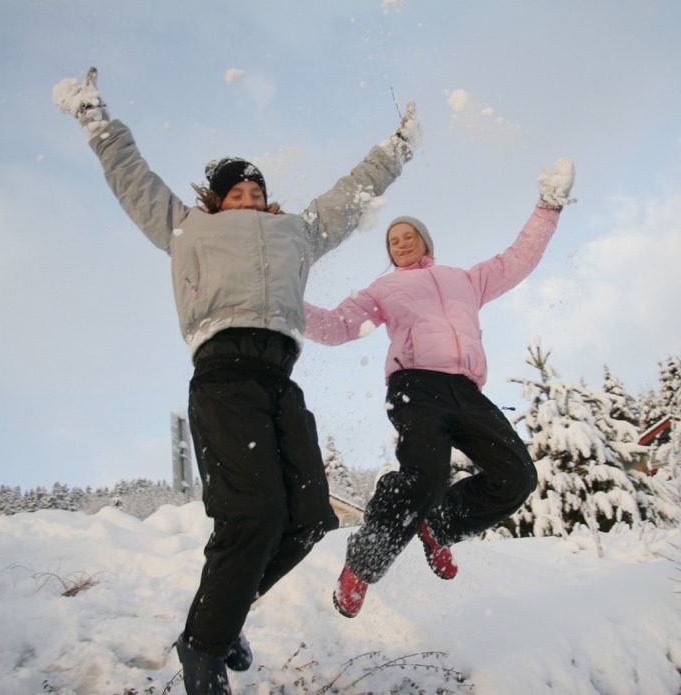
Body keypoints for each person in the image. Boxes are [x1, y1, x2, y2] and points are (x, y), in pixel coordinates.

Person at [52, 67, 420, 694]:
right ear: (215, 200)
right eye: (236, 195)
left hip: (280, 379)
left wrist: (398, 150)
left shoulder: (297, 231)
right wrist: (96, 119)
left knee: (306, 519)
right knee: (253, 516)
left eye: (255, 193)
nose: (247, 200)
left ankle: (222, 619)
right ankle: (202, 649)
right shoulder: (185, 229)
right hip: (223, 377)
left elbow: (352, 191)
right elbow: (132, 178)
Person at [303, 158, 575, 618]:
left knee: (517, 477)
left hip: (466, 390)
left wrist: (548, 207)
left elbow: (518, 258)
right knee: (423, 479)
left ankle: (440, 526)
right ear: (389, 253)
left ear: (425, 241)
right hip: (416, 386)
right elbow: (337, 326)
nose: (402, 243)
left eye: (409, 235)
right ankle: (362, 566)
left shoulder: (464, 280)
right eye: (394, 240)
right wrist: (282, 299)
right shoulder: (384, 289)